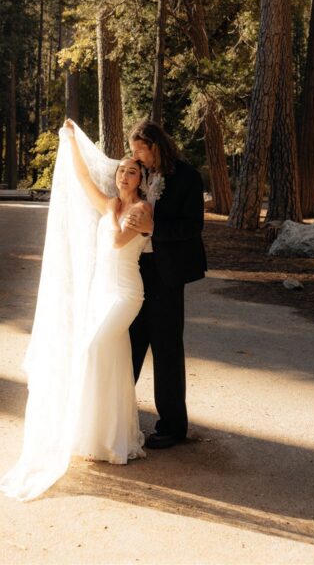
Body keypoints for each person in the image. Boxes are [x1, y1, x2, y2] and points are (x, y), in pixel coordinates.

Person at [0, 120, 154, 501]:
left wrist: (119, 214)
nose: (123, 174)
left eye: (131, 171)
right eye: (121, 170)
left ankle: (103, 433)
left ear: (140, 179)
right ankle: (107, 438)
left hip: (126, 293)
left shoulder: (142, 210)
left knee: (92, 350)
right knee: (113, 359)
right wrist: (69, 143)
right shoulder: (111, 204)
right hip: (102, 291)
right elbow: (84, 181)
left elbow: (118, 241)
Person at [128, 119, 206, 449]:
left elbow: (192, 227)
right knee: (128, 344)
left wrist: (153, 227)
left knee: (167, 348)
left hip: (168, 273)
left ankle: (173, 426)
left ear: (155, 146)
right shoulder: (136, 175)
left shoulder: (187, 177)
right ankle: (116, 417)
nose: (136, 158)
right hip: (134, 271)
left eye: (139, 151)